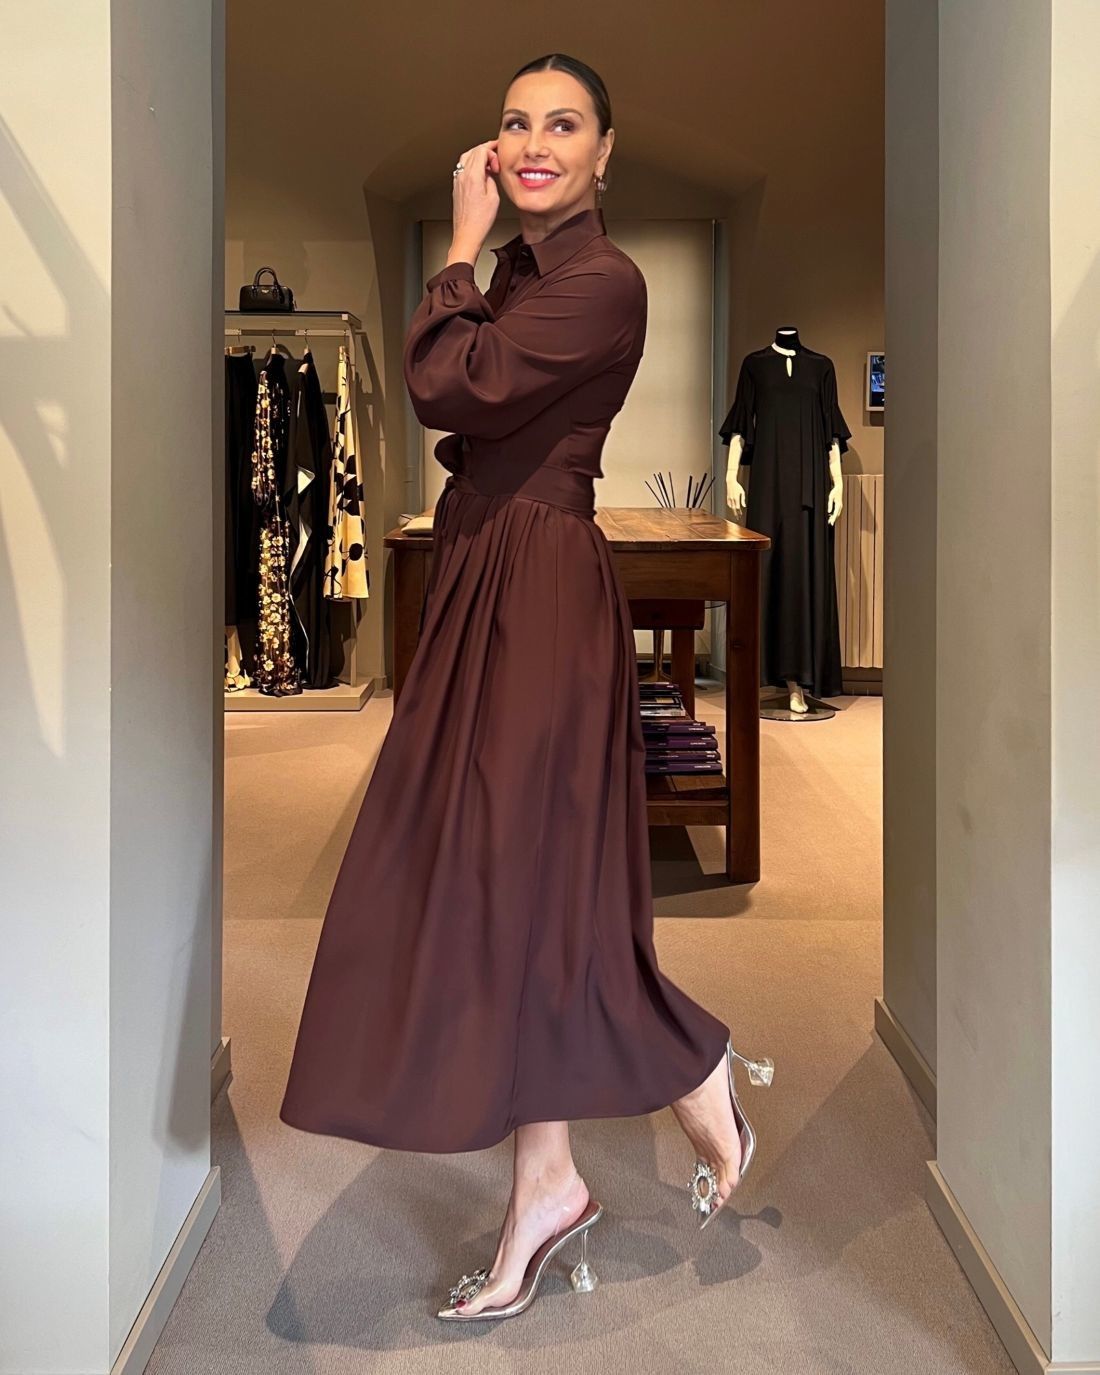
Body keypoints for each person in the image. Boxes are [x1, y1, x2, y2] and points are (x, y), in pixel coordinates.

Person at [278, 52, 774, 1322]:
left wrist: (453, 246)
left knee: (521, 869)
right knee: (498, 874)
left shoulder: (604, 280)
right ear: (493, 147)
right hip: (483, 563)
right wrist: (479, 267)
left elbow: (446, 385)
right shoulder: (522, 276)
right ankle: (547, 1176)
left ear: (605, 153)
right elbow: (469, 399)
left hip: (538, 581)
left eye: (563, 125)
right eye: (515, 123)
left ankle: (683, 1059)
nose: (536, 143)